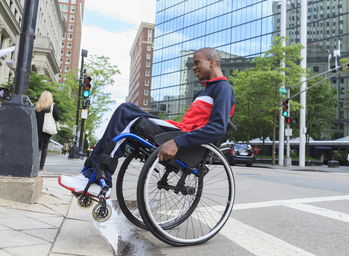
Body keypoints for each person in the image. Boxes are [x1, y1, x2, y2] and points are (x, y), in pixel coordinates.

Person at [59, 47, 236, 198]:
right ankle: (91, 175)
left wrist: (177, 141)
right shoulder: (202, 92)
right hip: (179, 131)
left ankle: (97, 178)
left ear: (212, 62)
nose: (193, 67)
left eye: (197, 63)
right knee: (126, 112)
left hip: (185, 138)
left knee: (126, 113)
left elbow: (217, 128)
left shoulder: (223, 88)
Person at [35, 91, 59, 173]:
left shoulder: (37, 106)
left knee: (37, 148)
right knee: (44, 148)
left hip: (37, 129)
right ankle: (41, 168)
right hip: (46, 129)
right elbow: (57, 117)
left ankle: (35, 166)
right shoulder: (51, 106)